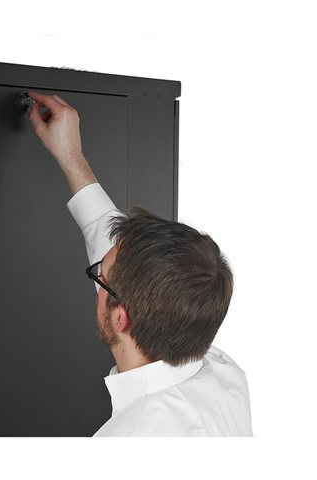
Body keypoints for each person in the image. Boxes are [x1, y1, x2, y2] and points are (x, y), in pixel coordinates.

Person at [27, 91, 253, 436]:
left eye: (100, 277)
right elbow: (121, 256)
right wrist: (72, 156)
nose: (97, 277)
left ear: (121, 317)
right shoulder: (224, 374)